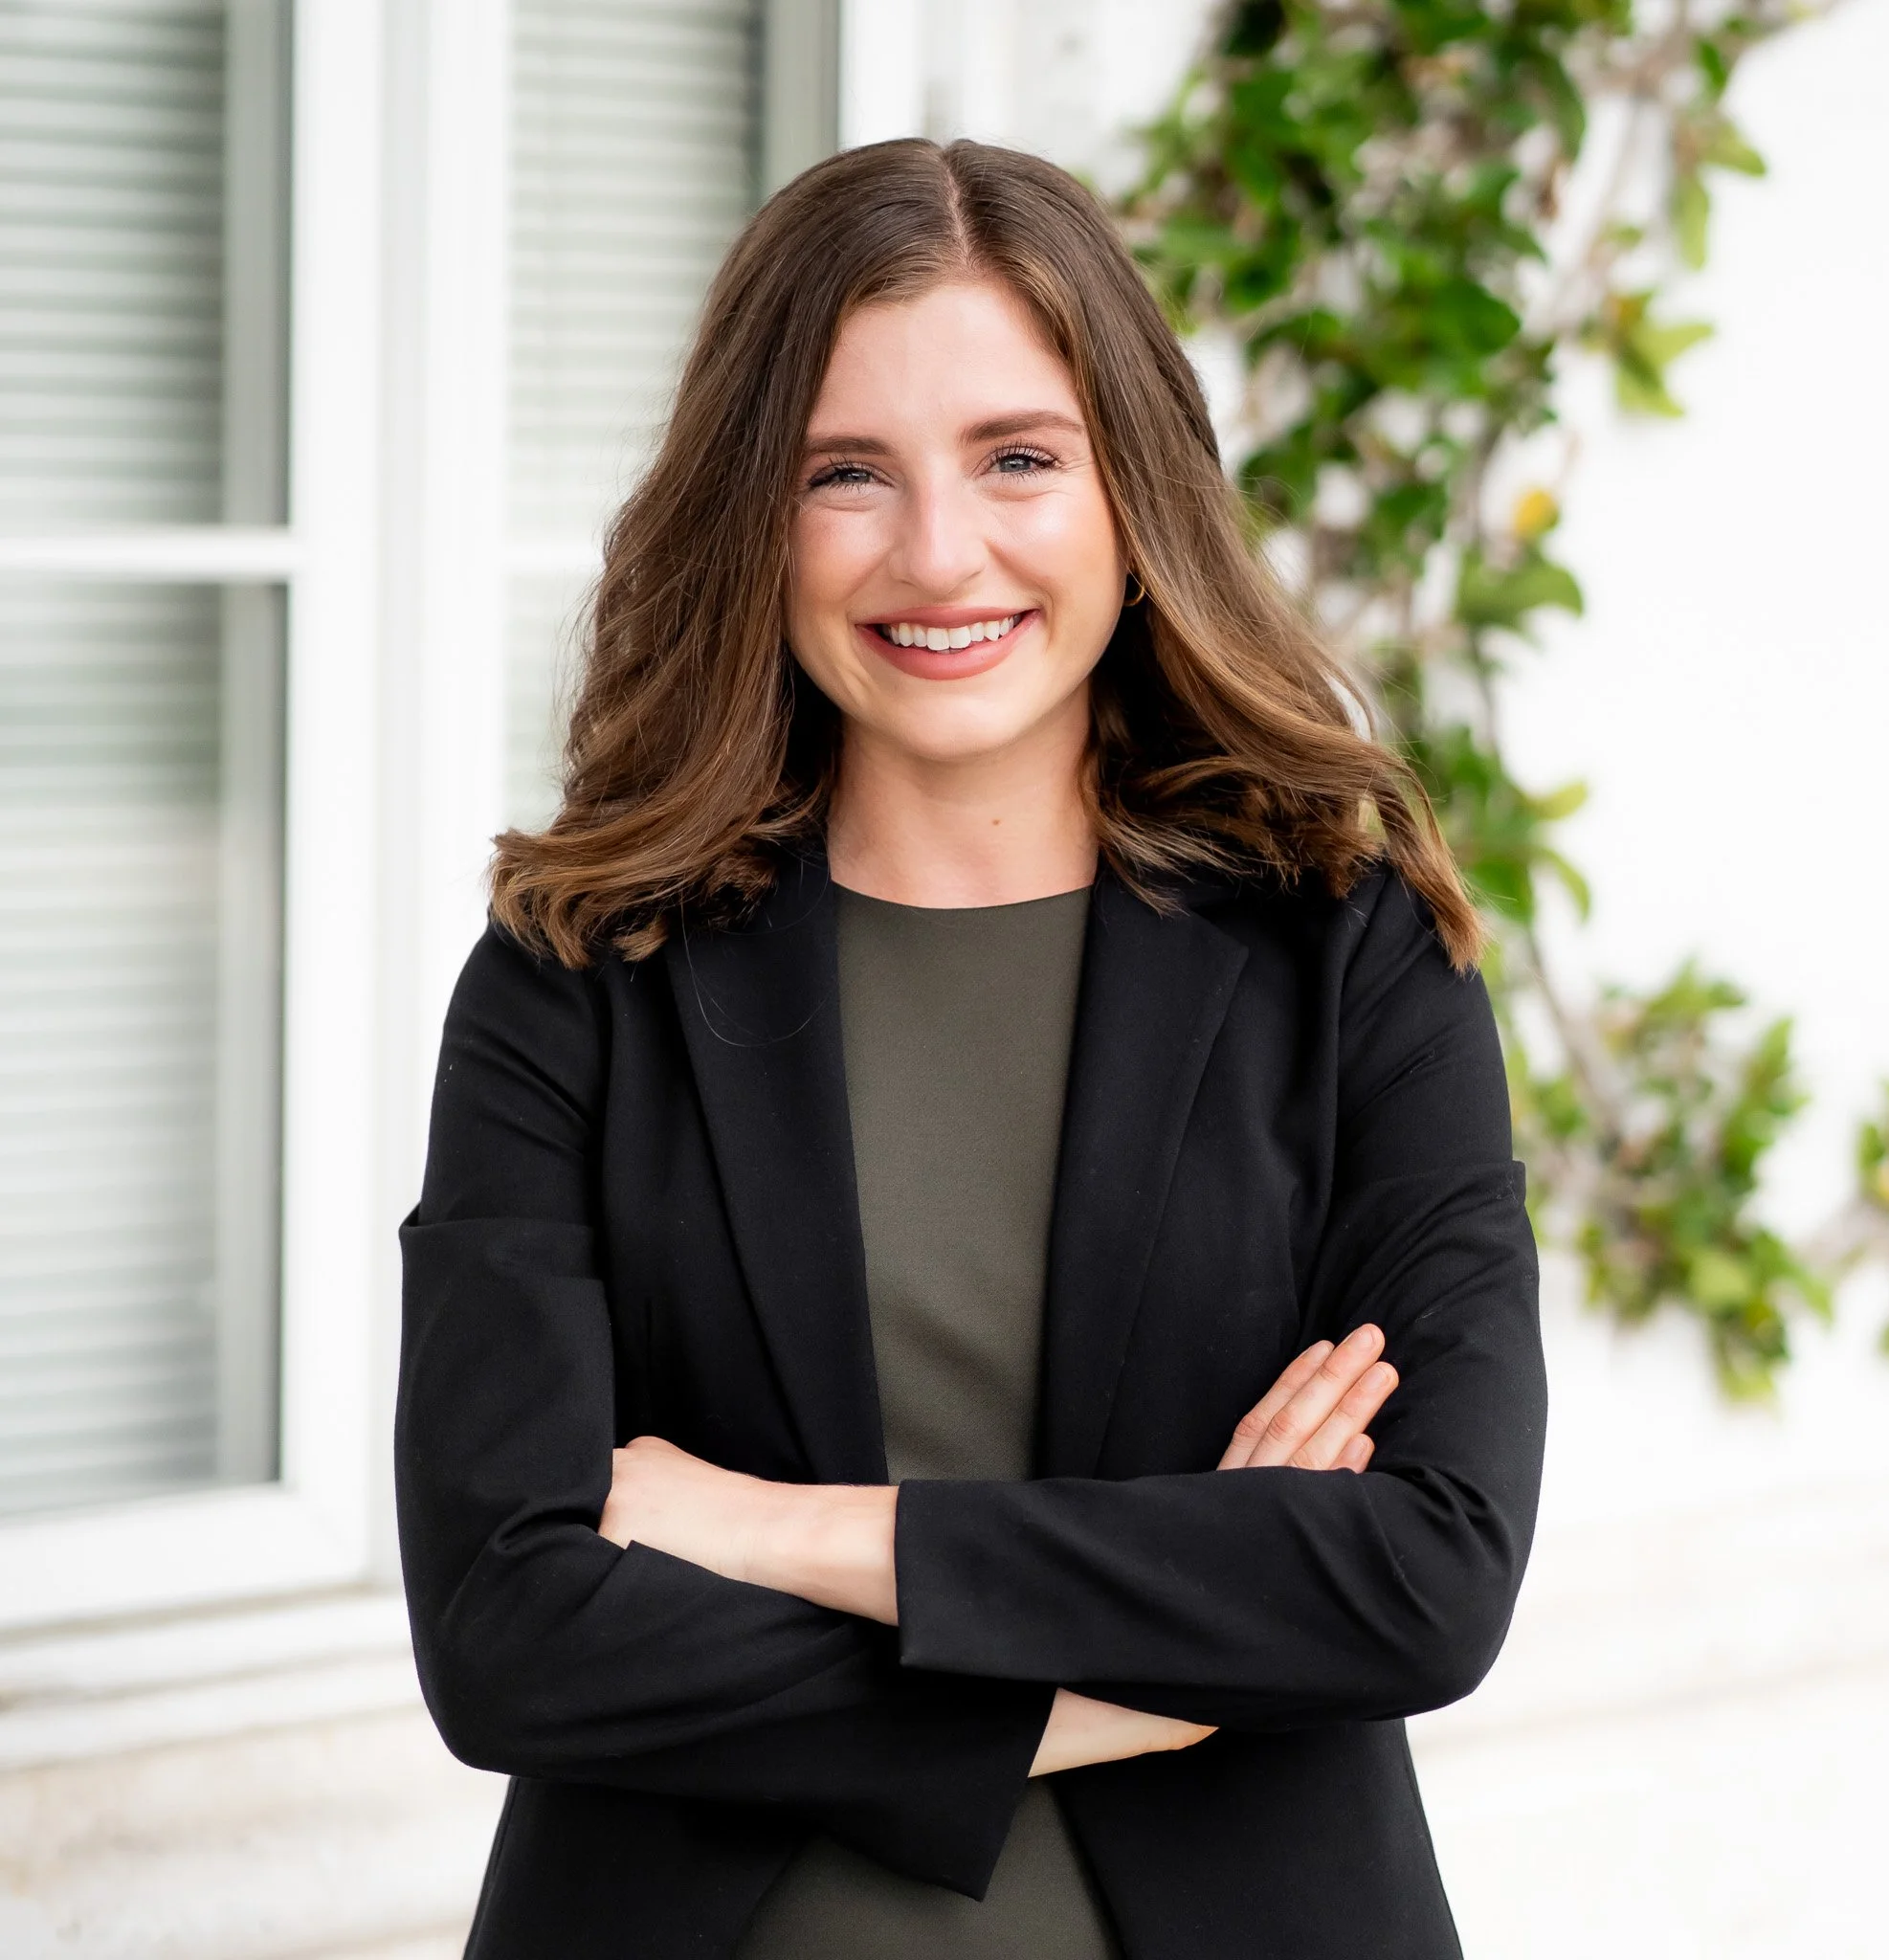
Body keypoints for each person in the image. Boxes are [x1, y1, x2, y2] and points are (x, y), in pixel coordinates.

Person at [396, 138, 1545, 1960]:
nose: (941, 554)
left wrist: (782, 1533)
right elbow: (506, 1634)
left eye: (1021, 457)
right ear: (750, 518)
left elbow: (1425, 1573)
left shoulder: (1349, 952)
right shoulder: (574, 976)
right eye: (845, 474)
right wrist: (1159, 1669)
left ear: (1133, 490)